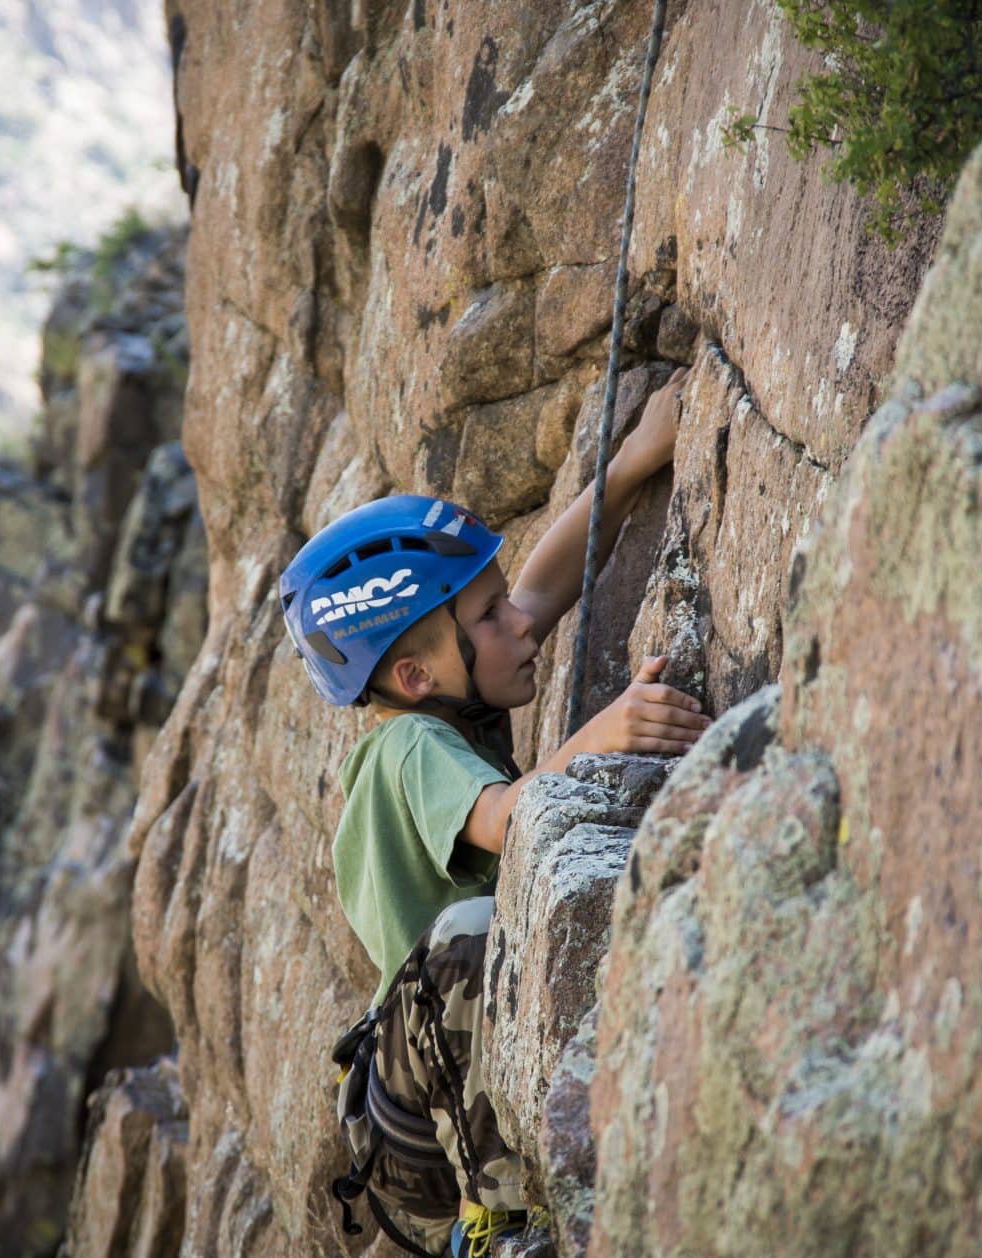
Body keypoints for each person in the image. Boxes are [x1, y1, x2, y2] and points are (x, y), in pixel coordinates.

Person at [278, 371, 707, 1256]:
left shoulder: (443, 697)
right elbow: (514, 820)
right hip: (423, 1115)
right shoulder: (408, 750)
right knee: (477, 927)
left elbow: (545, 590)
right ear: (415, 677)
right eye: (487, 614)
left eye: (498, 600)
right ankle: (499, 1222)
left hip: (442, 1077)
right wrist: (607, 731)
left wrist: (631, 463)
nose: (518, 623)